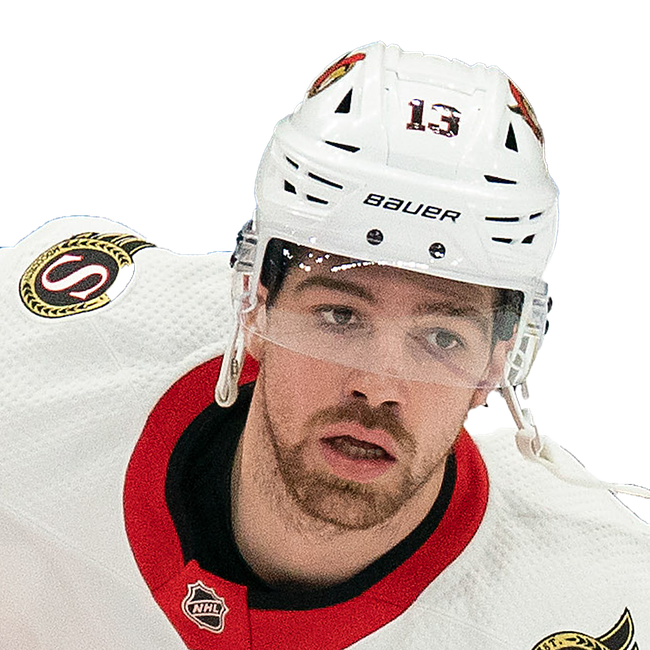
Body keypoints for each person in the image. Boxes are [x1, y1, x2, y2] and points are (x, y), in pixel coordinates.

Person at [0, 41, 648, 650]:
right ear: (255, 303)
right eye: (341, 315)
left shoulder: (598, 595)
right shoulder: (44, 355)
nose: (379, 386)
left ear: (497, 365)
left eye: (441, 337)